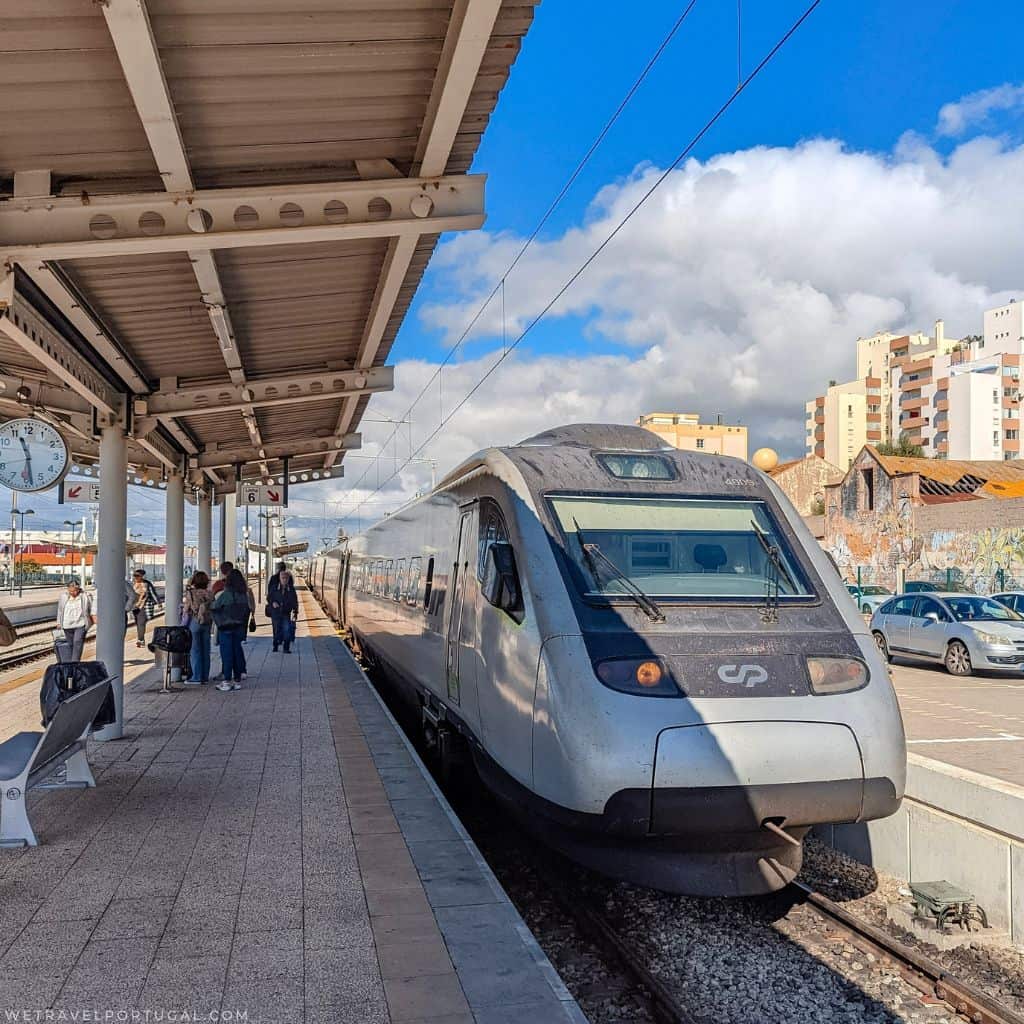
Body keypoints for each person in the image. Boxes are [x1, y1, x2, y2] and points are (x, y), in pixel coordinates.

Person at [212, 568, 249, 691]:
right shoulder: (243, 595)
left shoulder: (226, 594)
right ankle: (237, 680)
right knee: (237, 652)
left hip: (226, 627)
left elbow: (215, 607)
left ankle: (227, 681)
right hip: (239, 627)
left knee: (227, 654)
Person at [182, 570, 213, 685]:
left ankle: (196, 677)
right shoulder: (210, 593)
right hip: (207, 622)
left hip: (195, 622)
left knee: (195, 650)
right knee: (206, 649)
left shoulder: (191, 593)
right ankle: (205, 676)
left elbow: (186, 609)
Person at [56, 579, 96, 662]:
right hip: (67, 625)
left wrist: (92, 618)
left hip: (80, 624)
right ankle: (70, 663)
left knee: (77, 642)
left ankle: (75, 663)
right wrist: (59, 622)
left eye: (74, 591)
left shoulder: (86, 596)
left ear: (78, 589)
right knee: (71, 644)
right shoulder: (63, 597)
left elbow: (91, 608)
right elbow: (60, 610)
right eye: (70, 591)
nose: (72, 593)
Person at [267, 562, 298, 653]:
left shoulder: (290, 588)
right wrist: (273, 603)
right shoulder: (274, 586)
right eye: (283, 578)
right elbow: (269, 596)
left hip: (286, 612)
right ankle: (275, 644)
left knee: (287, 629)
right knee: (277, 629)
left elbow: (294, 600)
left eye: (286, 578)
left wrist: (295, 611)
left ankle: (286, 647)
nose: (284, 579)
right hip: (276, 612)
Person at [125, 568, 159, 648]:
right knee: (138, 623)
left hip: (144, 606)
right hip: (134, 607)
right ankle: (140, 638)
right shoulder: (132, 584)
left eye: (137, 576)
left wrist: (158, 602)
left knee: (141, 623)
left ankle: (141, 640)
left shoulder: (147, 584)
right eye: (134, 575)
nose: (135, 577)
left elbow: (153, 593)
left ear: (142, 576)